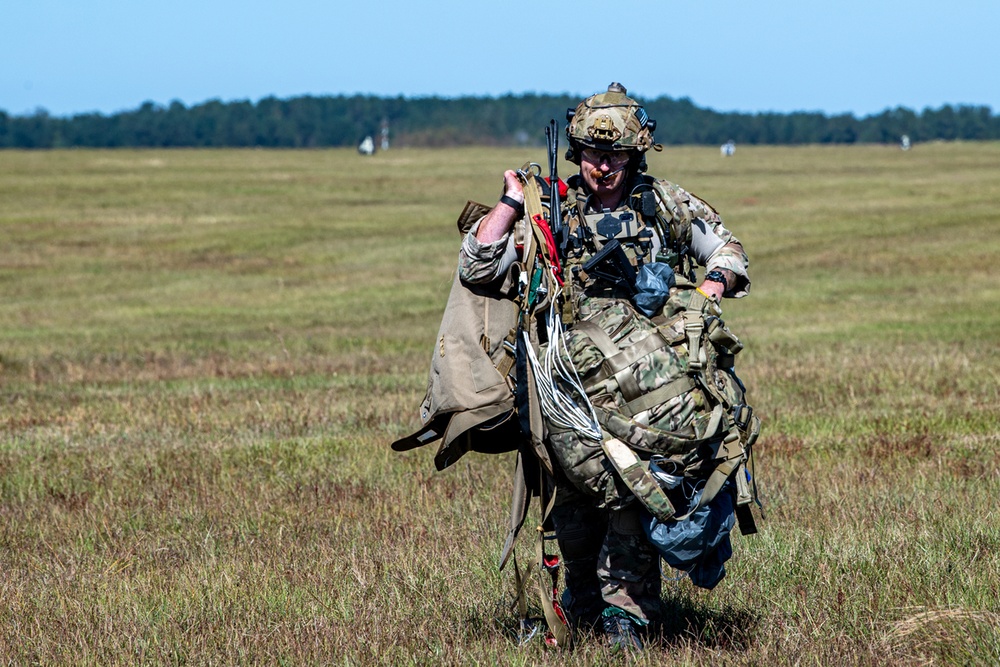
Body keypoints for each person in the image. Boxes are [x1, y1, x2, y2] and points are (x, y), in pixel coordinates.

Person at [458, 83, 751, 651]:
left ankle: (629, 617)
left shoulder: (664, 203)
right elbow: (478, 264)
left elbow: (728, 251)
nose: (602, 166)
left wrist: (703, 290)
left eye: (614, 154)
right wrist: (514, 202)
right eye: (592, 154)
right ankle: (580, 605)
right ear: (575, 153)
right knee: (573, 500)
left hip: (646, 386)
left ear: (636, 152)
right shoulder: (553, 211)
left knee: (634, 494)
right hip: (569, 387)